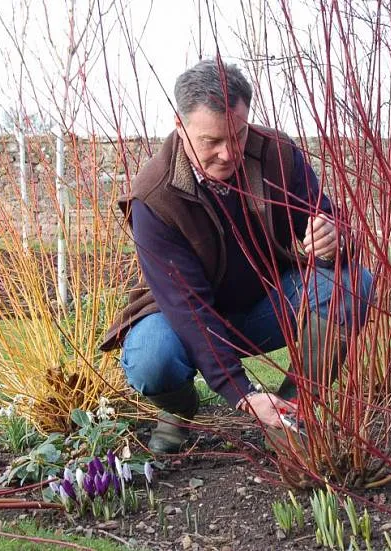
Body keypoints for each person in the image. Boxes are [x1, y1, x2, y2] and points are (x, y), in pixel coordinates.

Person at [100, 59, 373, 453]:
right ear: (180, 125)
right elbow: (189, 307)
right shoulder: (153, 197)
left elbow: (326, 217)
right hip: (182, 319)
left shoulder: (277, 153)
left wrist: (333, 237)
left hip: (267, 302)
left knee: (354, 286)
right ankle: (179, 407)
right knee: (150, 359)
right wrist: (241, 392)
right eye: (212, 141)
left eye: (239, 135)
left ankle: (292, 413)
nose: (229, 154)